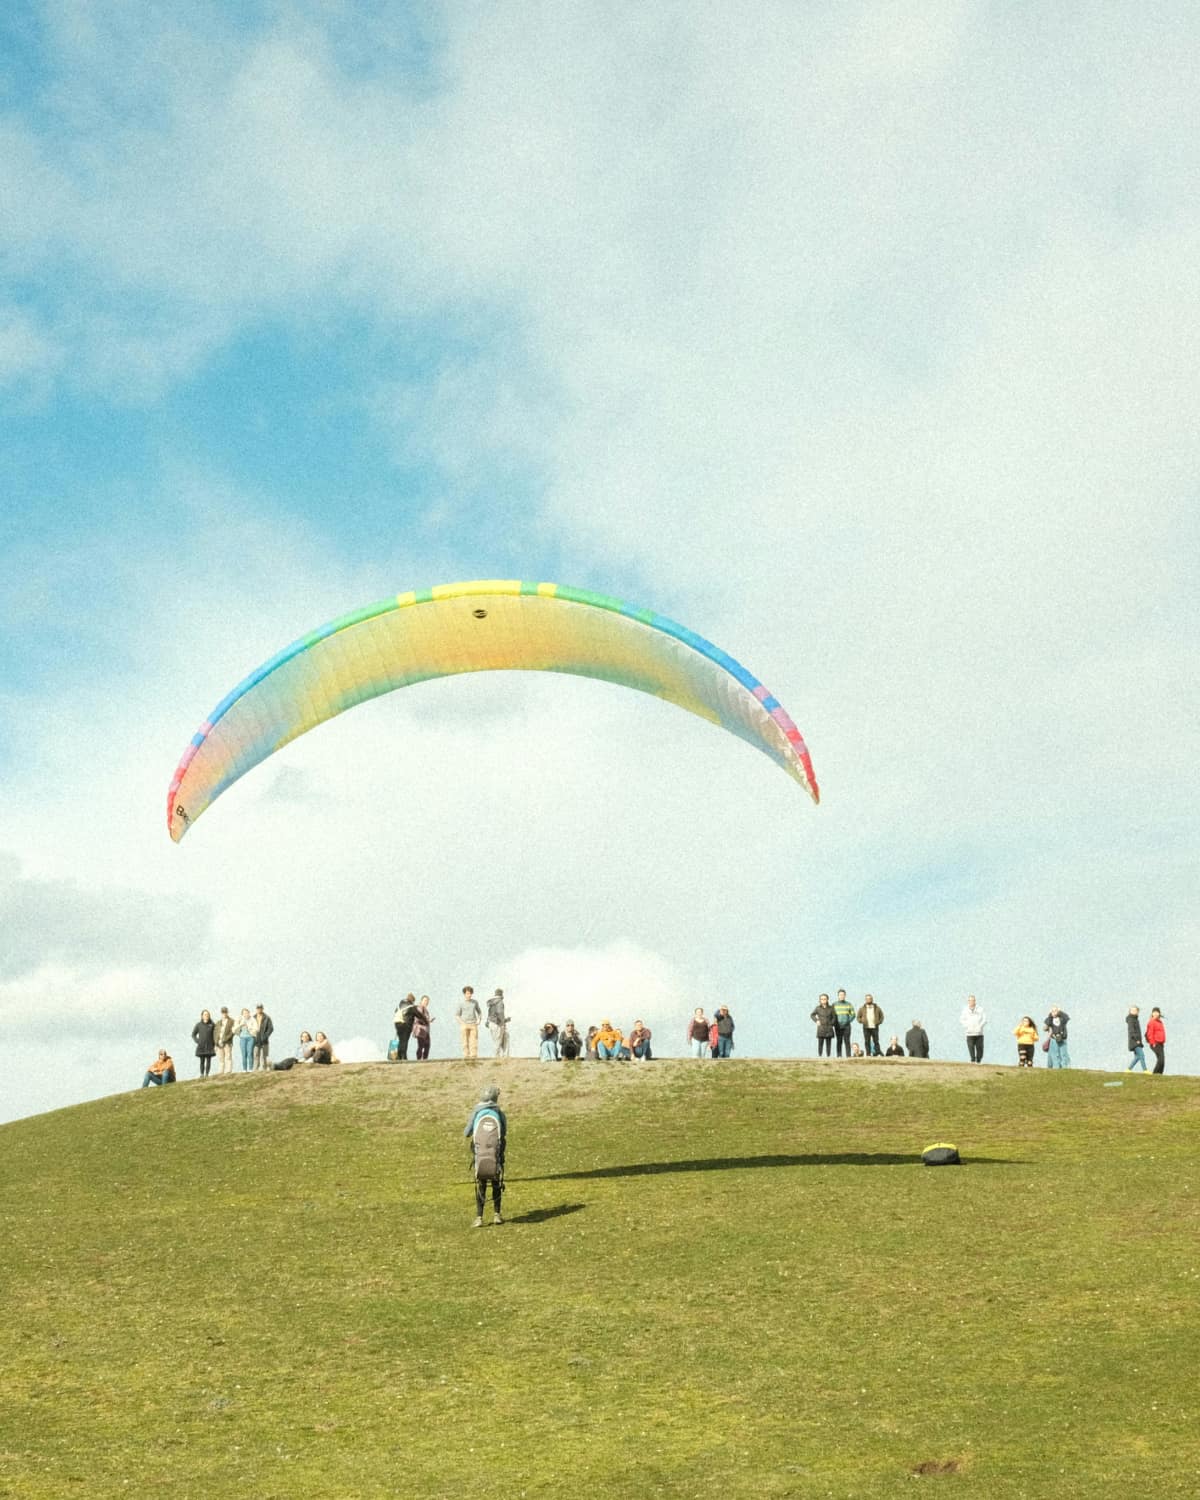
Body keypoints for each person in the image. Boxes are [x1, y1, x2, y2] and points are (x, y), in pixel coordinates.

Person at [464, 1083, 507, 1227]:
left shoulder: (476, 1111)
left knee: (481, 1183)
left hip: (480, 1154)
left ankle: (479, 1218)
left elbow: (467, 1133)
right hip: (495, 1154)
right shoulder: (499, 1112)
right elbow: (504, 1132)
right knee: (496, 1182)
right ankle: (497, 1215)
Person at [456, 986, 481, 1059]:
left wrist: (479, 1020)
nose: (468, 995)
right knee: (465, 1041)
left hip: (473, 1024)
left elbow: (479, 1012)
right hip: (464, 1024)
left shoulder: (475, 1002)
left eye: (470, 993)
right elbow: (457, 1015)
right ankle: (466, 1056)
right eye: (467, 993)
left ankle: (473, 1056)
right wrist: (461, 1023)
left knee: (474, 1041)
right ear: (464, 994)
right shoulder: (461, 1003)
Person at [961, 995, 986, 1063]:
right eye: (970, 1000)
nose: (971, 1002)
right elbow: (962, 1020)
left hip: (979, 1033)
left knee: (980, 1049)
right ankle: (972, 1060)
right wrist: (967, 1026)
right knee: (971, 1048)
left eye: (973, 1000)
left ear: (975, 1001)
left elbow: (984, 1019)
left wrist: (980, 1026)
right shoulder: (965, 1010)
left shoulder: (980, 1009)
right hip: (969, 1033)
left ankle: (978, 1060)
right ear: (968, 1001)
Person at [393, 993, 419, 1062]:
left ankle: (398, 1056)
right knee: (405, 1040)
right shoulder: (411, 1006)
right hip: (405, 1024)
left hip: (397, 1023)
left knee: (401, 1039)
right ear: (412, 1000)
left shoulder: (400, 1004)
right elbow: (418, 1014)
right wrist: (426, 1020)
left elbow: (395, 1011)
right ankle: (404, 1056)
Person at [486, 989, 511, 1058]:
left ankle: (499, 1056)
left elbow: (491, 1014)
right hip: (498, 1024)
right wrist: (504, 1022)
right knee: (499, 1041)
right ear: (501, 994)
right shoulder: (500, 1002)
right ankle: (498, 1057)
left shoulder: (492, 1002)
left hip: (491, 1023)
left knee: (497, 1040)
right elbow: (500, 1013)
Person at [192, 1009, 216, 1078]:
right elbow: (193, 1034)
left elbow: (215, 1034)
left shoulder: (212, 1024)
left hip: (210, 1046)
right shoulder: (198, 1025)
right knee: (202, 1061)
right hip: (201, 1046)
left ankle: (207, 1074)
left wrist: (214, 1043)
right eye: (205, 1015)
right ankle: (202, 1074)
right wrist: (198, 1041)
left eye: (207, 1015)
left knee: (208, 1060)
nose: (206, 1016)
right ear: (202, 1016)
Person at [832, 990, 855, 1058]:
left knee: (847, 1041)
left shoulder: (849, 1004)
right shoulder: (834, 1004)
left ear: (845, 995)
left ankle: (848, 1056)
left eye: (843, 995)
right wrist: (835, 1022)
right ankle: (839, 1055)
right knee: (839, 1041)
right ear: (838, 996)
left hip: (847, 1026)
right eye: (840, 995)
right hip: (838, 1025)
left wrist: (848, 1021)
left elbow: (853, 1014)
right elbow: (832, 1015)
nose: (841, 996)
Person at [213, 1007, 236, 1075]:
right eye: (223, 1012)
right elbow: (215, 1032)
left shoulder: (231, 1021)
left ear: (227, 1012)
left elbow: (232, 1032)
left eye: (225, 1012)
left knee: (228, 1056)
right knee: (221, 1058)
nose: (224, 1014)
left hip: (227, 1042)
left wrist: (225, 1039)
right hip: (219, 1043)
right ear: (221, 1013)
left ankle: (228, 1070)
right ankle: (221, 1071)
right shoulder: (218, 1022)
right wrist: (216, 1042)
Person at [253, 1004, 274, 1070]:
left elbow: (271, 1028)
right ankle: (255, 1069)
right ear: (256, 1009)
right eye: (258, 1008)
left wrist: (265, 1036)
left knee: (264, 1055)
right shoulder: (253, 1017)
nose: (259, 1009)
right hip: (256, 1038)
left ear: (262, 1009)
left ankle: (263, 1069)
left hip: (264, 1039)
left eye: (260, 1008)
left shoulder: (267, 1018)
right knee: (256, 1055)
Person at [1126, 1006, 1147, 1072]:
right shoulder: (1131, 1019)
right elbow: (1132, 1031)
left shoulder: (1135, 1019)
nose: (1134, 1011)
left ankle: (1128, 1069)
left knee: (1138, 1056)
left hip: (1136, 1041)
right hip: (1134, 1041)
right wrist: (1137, 1040)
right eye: (1132, 1010)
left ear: (1138, 1012)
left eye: (1136, 1010)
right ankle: (1145, 1070)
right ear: (1130, 1011)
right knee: (1142, 1055)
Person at [234, 1007, 255, 1071]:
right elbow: (234, 1029)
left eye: (247, 1013)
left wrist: (249, 1027)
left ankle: (251, 1069)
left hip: (250, 1038)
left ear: (249, 1013)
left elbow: (256, 1029)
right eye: (244, 1013)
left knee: (250, 1053)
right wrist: (241, 1025)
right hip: (242, 1038)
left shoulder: (252, 1019)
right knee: (244, 1054)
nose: (246, 1014)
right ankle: (244, 1069)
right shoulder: (239, 1020)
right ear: (242, 1014)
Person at [1145, 1008, 1166, 1074]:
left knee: (1162, 1060)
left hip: (1160, 1043)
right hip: (1155, 1043)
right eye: (1154, 1012)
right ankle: (1155, 1073)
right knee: (1161, 1059)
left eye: (1157, 1012)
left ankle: (1159, 1074)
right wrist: (1153, 1042)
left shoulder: (1160, 1022)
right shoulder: (1151, 1022)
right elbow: (1149, 1033)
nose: (1156, 1014)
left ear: (1159, 1013)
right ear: (1152, 1014)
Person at [413, 996, 434, 1061]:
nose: (426, 1002)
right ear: (421, 1001)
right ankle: (419, 1059)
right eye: (425, 1000)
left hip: (426, 1030)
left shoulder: (426, 1010)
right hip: (421, 1030)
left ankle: (424, 1059)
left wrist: (429, 1021)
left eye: (427, 1001)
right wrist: (428, 1021)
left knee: (427, 1045)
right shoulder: (420, 1008)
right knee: (421, 1045)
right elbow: (418, 1018)